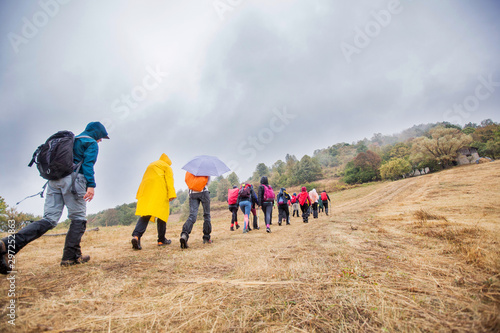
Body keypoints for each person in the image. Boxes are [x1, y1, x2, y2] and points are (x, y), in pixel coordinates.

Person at [0, 122, 109, 273]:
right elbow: (88, 165)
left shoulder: (70, 141)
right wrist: (91, 185)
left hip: (53, 181)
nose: (101, 140)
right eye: (101, 137)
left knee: (49, 219)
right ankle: (70, 257)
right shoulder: (90, 143)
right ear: (96, 133)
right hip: (73, 181)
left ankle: (6, 245)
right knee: (78, 218)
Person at [131, 153, 176, 250]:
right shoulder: (166, 166)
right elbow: (169, 180)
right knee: (162, 215)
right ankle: (161, 240)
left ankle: (136, 236)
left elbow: (144, 179)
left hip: (146, 191)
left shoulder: (152, 165)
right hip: (160, 192)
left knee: (145, 214)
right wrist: (171, 194)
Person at [180, 172, 212, 249]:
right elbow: (208, 182)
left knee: (192, 216)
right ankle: (206, 237)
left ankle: (184, 235)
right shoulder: (206, 169)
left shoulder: (190, 169)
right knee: (206, 215)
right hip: (204, 192)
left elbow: (187, 181)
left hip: (192, 193)